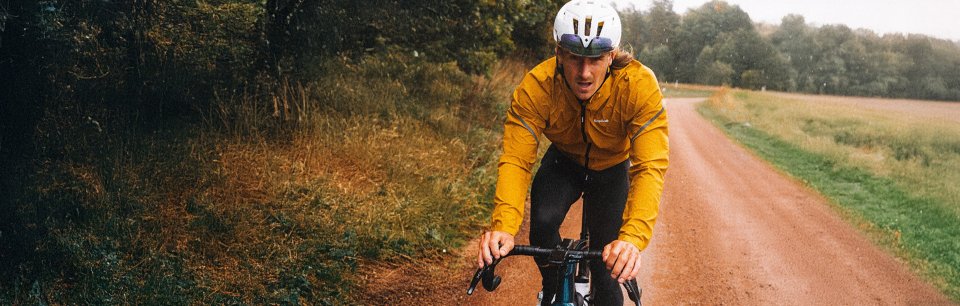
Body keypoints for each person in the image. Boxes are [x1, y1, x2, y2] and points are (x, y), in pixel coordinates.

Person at [476, 1, 669, 305]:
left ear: (612, 56)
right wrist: (504, 227)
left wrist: (631, 239)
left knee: (607, 272)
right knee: (542, 226)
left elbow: (650, 167)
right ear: (559, 53)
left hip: (611, 168)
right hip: (564, 161)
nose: (584, 73)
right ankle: (553, 287)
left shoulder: (638, 86)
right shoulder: (537, 87)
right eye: (575, 58)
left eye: (596, 59)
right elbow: (516, 160)